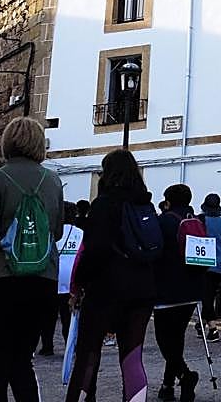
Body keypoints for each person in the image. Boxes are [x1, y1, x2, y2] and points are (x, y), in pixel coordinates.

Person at [0, 117, 64, 401]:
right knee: (23, 361)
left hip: (2, 278)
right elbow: (56, 231)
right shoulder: (53, 181)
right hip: (42, 280)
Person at [65, 149, 157, 402]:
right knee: (132, 357)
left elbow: (94, 250)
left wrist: (80, 284)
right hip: (141, 291)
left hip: (106, 291)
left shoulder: (103, 205)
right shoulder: (146, 205)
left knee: (88, 356)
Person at [154, 184, 205, 401]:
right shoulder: (198, 221)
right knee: (177, 338)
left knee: (164, 340)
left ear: (168, 200)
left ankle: (185, 375)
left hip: (167, 290)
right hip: (192, 289)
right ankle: (167, 386)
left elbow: (155, 252)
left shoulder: (164, 221)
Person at [40, 201, 83, 357]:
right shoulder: (80, 233)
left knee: (48, 316)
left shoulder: (51, 232)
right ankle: (70, 345)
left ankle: (47, 346)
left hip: (52, 278)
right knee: (69, 316)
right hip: (72, 280)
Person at [198, 192, 221, 343]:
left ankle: (213, 329)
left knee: (205, 296)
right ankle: (201, 325)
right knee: (209, 294)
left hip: (205, 263)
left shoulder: (200, 221)